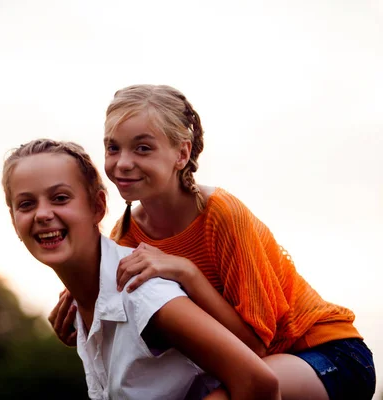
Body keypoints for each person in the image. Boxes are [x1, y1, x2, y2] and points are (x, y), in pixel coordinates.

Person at [49, 84, 376, 400]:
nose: (122, 162)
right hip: (247, 369)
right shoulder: (126, 238)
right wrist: (86, 317)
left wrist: (187, 272)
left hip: (327, 355)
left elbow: (256, 347)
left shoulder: (220, 214)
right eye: (113, 147)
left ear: (182, 153)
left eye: (143, 148)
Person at [2, 138, 280, 400]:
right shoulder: (85, 302)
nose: (42, 214)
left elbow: (258, 383)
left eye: (60, 198)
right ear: (15, 222)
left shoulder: (141, 292)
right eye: (26, 204)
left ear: (98, 207)